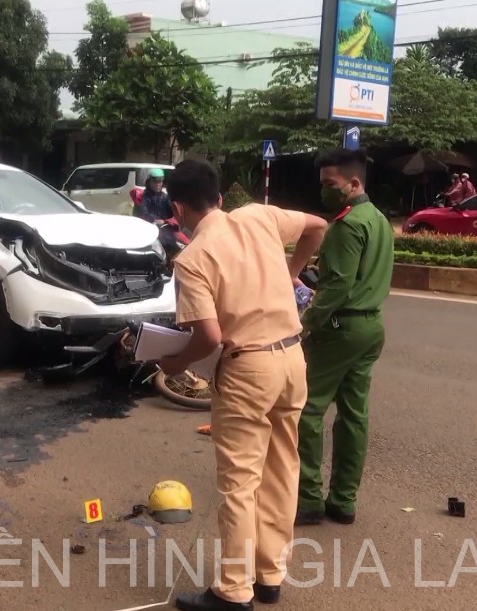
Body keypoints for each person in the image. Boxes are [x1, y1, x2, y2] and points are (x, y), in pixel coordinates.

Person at [159, 159, 328, 611]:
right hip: (292, 358)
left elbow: (208, 337)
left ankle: (234, 590)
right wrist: (292, 272)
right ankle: (270, 575)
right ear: (219, 197)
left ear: (178, 208)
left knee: (240, 483)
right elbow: (318, 226)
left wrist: (173, 363)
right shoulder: (259, 215)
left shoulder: (192, 259)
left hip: (248, 368)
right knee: (282, 469)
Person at [295, 148, 394, 527]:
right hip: (371, 327)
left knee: (306, 408)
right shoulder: (379, 220)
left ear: (354, 183)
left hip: (340, 328)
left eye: (330, 183)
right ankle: (343, 500)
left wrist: (305, 324)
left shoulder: (347, 226)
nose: (324, 190)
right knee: (353, 414)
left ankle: (307, 498)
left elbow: (336, 286)